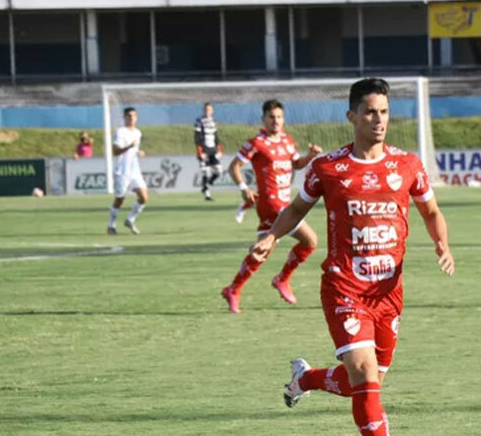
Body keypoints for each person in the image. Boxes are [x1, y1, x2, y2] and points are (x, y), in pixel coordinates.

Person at [251, 79, 455, 435]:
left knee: (361, 381)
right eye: (370, 112)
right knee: (364, 374)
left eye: (385, 112)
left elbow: (432, 212)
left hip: (388, 293)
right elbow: (297, 207)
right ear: (352, 116)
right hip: (344, 287)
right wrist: (272, 236)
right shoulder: (327, 168)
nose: (379, 120)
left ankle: (306, 378)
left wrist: (442, 244)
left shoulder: (408, 166)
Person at [221, 99, 322, 311]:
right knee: (310, 240)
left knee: (262, 252)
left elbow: (297, 163)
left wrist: (309, 157)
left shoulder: (287, 141)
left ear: (283, 119)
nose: (275, 121)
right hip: (272, 204)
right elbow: (234, 167)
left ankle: (234, 289)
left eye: (278, 117)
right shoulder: (256, 143)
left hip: (284, 203)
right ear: (264, 119)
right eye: (271, 117)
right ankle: (282, 279)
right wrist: (243, 187)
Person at [107, 107, 148, 235]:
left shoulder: (138, 133)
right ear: (124, 118)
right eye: (129, 116)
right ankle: (111, 225)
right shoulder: (120, 132)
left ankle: (130, 220)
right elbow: (115, 151)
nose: (131, 118)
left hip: (135, 170)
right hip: (122, 171)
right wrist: (129, 146)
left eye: (134, 116)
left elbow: (134, 150)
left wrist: (138, 152)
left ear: (137, 118)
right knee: (120, 199)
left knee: (144, 197)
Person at [194, 102, 224, 201]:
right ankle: (207, 195)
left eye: (209, 110)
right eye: (206, 109)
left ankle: (206, 186)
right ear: (204, 110)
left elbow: (216, 136)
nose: (208, 111)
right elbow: (197, 137)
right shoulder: (199, 121)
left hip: (213, 150)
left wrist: (220, 150)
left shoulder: (213, 121)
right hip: (204, 149)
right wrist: (199, 151)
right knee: (206, 172)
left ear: (212, 111)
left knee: (219, 170)